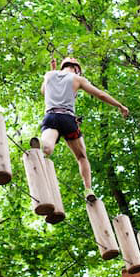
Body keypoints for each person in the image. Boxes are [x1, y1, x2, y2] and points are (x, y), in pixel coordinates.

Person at [36, 57, 129, 202]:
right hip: (67, 119)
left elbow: (44, 91)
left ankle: (41, 147)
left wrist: (52, 71)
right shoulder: (77, 79)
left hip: (50, 116)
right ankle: (88, 189)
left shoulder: (49, 75)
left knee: (47, 148)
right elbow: (100, 94)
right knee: (81, 157)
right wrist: (120, 106)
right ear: (77, 69)